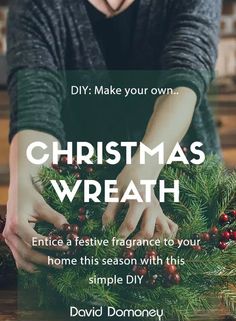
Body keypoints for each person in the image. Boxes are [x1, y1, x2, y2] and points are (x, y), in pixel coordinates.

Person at [3, 0, 222, 272]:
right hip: (80, 187)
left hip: (183, 179)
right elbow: (35, 100)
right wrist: (26, 181)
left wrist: (143, 167)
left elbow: (186, 75)